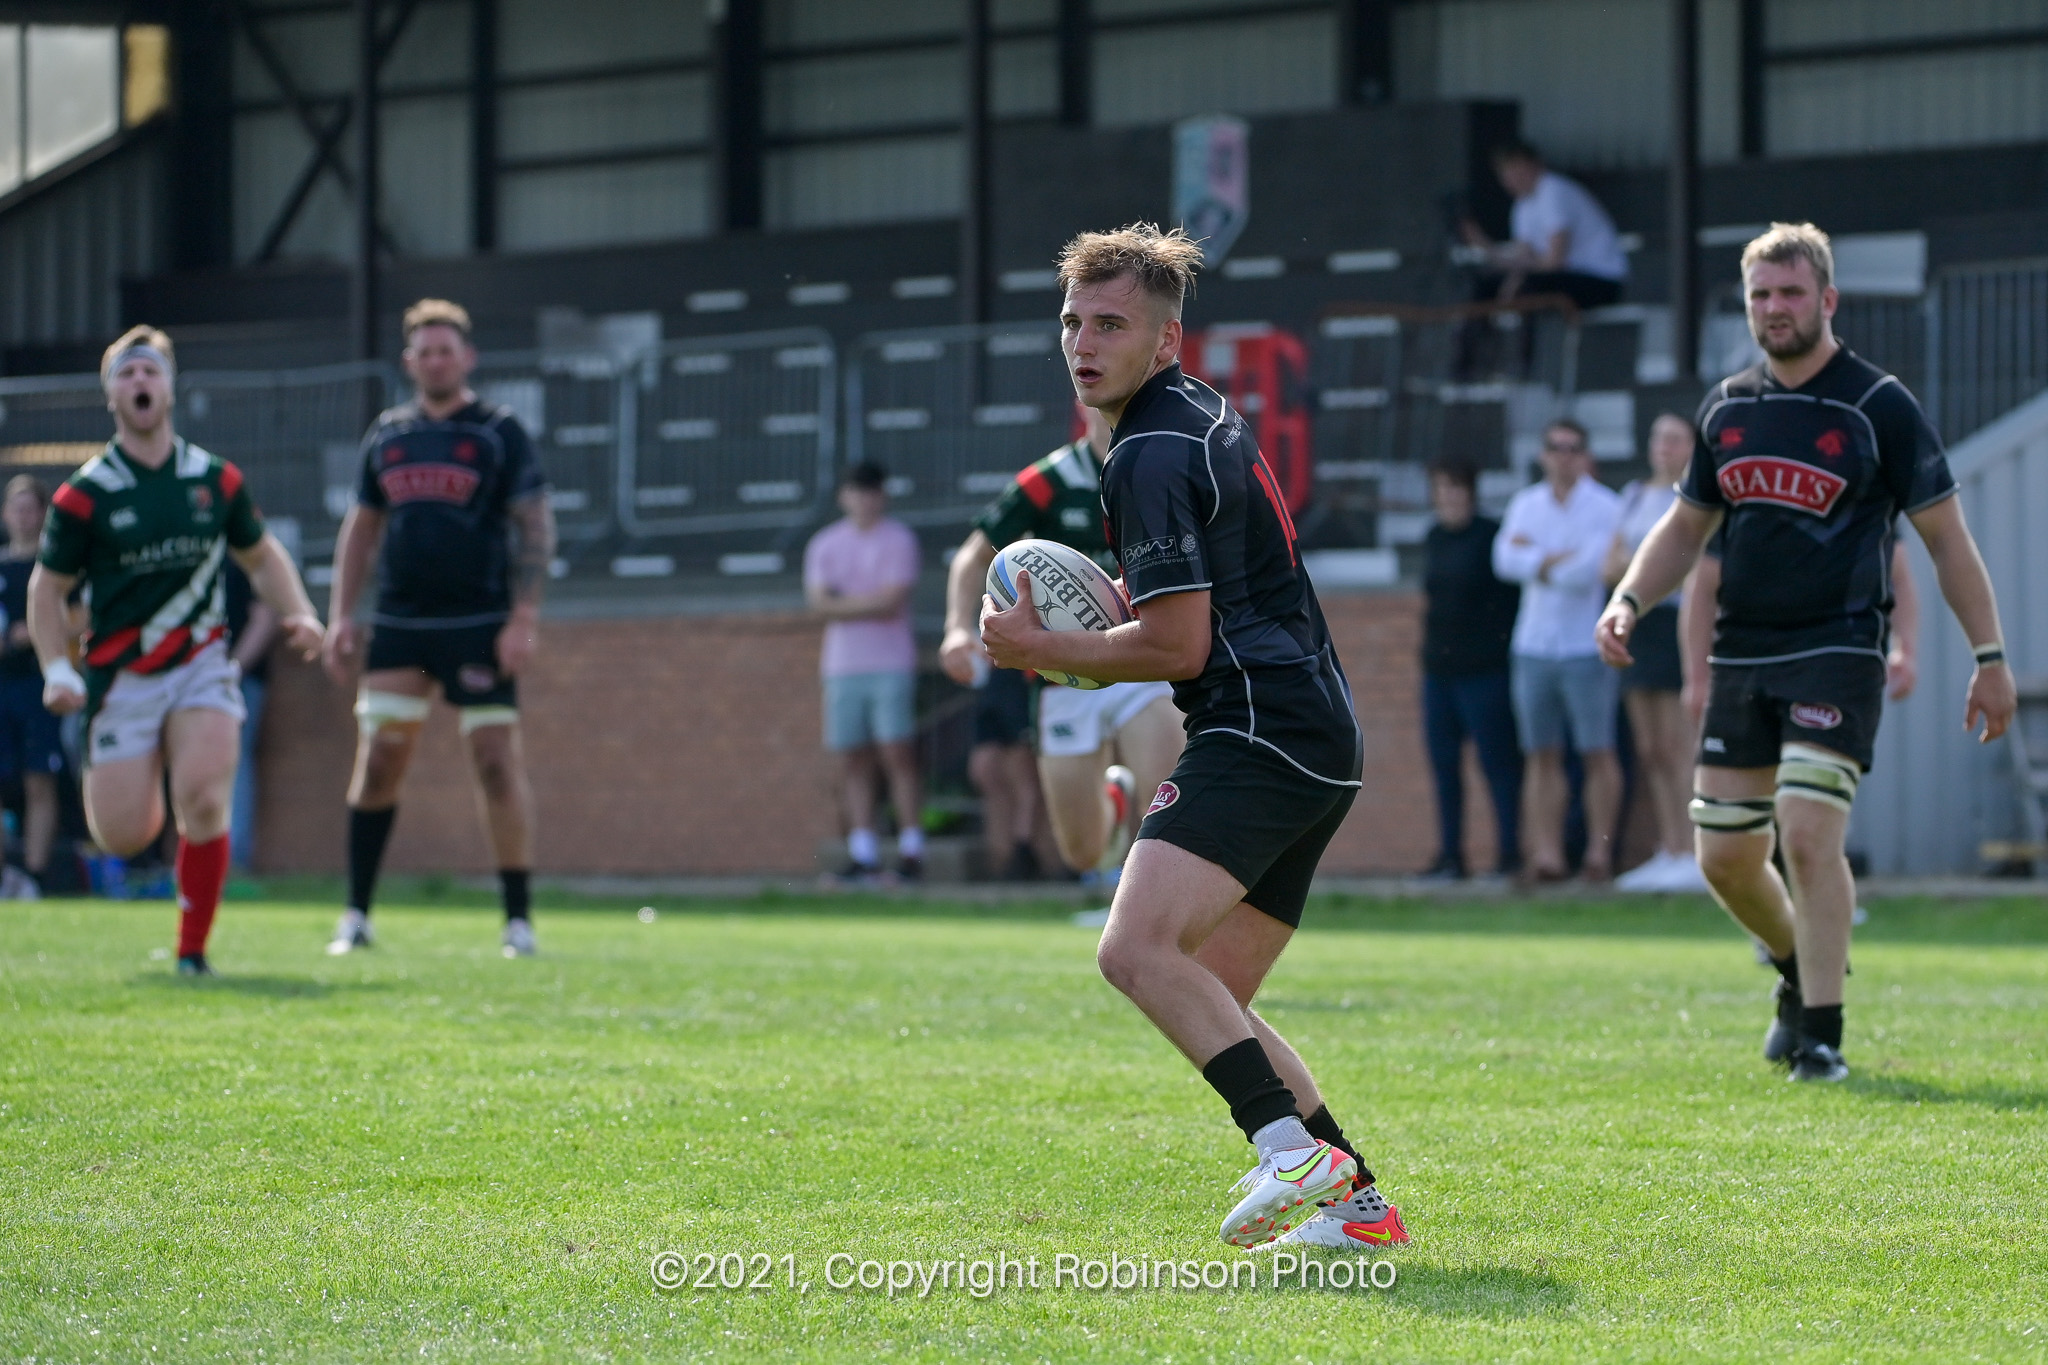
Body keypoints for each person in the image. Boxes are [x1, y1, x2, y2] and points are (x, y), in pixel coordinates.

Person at [981, 224, 1407, 1253]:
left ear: (1165, 341)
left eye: (1111, 325)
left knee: (1132, 950)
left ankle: (1288, 1151)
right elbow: (1197, 593)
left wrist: (1044, 647)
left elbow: (1178, 644)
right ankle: (1358, 1212)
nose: (1083, 343)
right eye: (1072, 322)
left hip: (1256, 729)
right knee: (1209, 987)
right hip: (1313, 730)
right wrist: (1104, 608)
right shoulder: (1192, 416)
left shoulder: (1147, 450)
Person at [1599, 222, 2013, 1083]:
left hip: (1839, 647)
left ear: (1828, 300)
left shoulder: (1880, 406)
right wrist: (1630, 598)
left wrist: (1989, 654)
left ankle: (1821, 1032)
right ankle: (1797, 969)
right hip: (1743, 654)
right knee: (1723, 856)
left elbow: (1948, 540)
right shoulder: (1727, 408)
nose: (1775, 308)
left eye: (1790, 292)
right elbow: (1684, 530)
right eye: (1760, 294)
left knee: (1810, 831)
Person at [28, 325, 323, 974]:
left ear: (170, 386)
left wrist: (299, 610)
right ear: (110, 393)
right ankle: (142, 775)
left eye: (151, 371)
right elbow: (46, 590)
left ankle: (192, 950)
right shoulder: (86, 491)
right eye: (127, 373)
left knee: (206, 795)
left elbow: (261, 553)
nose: (140, 382)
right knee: (125, 833)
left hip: (200, 662)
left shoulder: (214, 480)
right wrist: (56, 668)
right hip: (120, 675)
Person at [322, 299, 555, 958]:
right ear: (409, 362)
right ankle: (356, 915)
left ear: (467, 357)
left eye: (446, 348)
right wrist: (342, 615)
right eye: (424, 350)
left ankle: (518, 921)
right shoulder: (387, 434)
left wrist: (525, 616)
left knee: (495, 763)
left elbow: (535, 522)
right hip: (399, 622)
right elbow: (362, 528)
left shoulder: (498, 431)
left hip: (480, 622)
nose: (435, 359)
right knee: (380, 763)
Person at [939, 405, 1184, 880]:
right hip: (1062, 677)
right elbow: (972, 556)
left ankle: (1151, 917)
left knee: (1170, 806)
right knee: (1082, 852)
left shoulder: (1162, 471)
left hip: (1140, 661)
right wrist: (957, 627)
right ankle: (1112, 800)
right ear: (1080, 405)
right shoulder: (1051, 479)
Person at [1494, 419, 1623, 881]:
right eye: (1555, 447)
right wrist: (1555, 558)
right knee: (1540, 753)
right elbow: (1503, 561)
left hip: (1585, 645)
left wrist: (1538, 558)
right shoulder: (1526, 503)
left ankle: (1598, 854)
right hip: (1534, 645)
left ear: (1584, 455)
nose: (1563, 455)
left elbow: (1588, 570)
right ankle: (1546, 853)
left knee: (1596, 752)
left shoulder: (1606, 506)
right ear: (1543, 454)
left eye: (1573, 448)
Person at [803, 460, 924, 885]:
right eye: (856, 490)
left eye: (871, 491)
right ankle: (863, 851)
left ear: (882, 495)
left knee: (897, 754)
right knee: (852, 758)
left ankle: (911, 849)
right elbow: (819, 603)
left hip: (890, 662)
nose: (864, 499)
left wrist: (843, 604)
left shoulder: (899, 540)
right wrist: (865, 603)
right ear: (844, 496)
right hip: (842, 666)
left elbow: (891, 601)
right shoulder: (825, 544)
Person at [1604, 414, 1708, 892]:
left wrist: (1648, 564)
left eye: (1675, 438)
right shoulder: (1632, 496)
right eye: (1658, 437)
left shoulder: (1693, 501)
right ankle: (1668, 848)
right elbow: (1612, 567)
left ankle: (1693, 849)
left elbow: (1688, 565)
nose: (1664, 447)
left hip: (1675, 623)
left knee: (1676, 744)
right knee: (1649, 749)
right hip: (1639, 626)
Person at [1416, 459, 1522, 881]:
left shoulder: (1491, 537)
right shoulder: (1434, 537)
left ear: (1471, 493)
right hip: (1439, 672)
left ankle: (1509, 853)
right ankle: (1450, 855)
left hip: (1484, 671)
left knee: (1498, 764)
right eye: (1442, 488)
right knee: (1444, 767)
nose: (1449, 497)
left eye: (1457, 488)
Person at [1461, 140, 1627, 312]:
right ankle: (1475, 336)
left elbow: (1555, 261)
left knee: (1528, 287)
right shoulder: (1522, 205)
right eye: (1506, 175)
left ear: (1535, 166)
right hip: (1564, 278)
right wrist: (1486, 247)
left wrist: (1518, 278)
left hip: (1599, 280)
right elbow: (1523, 258)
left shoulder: (1553, 190)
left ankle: (1525, 338)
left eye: (1518, 171)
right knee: (1486, 287)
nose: (1512, 181)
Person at [0, 475, 65, 897]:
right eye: (17, 508)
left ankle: (36, 879)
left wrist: (38, 632)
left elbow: (81, 616)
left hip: (41, 686)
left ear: (43, 515)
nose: (24, 517)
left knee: (39, 779)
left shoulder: (55, 566)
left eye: (32, 509)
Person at [224, 561, 278, 874]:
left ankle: (232, 862)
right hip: (184, 678)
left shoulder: (244, 552)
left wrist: (230, 671)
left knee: (234, 759)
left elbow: (265, 618)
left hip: (236, 679)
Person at [966, 663, 1044, 880]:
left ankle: (1023, 851)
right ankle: (1002, 858)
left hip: (1022, 671)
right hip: (994, 676)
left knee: (1021, 770)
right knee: (985, 770)